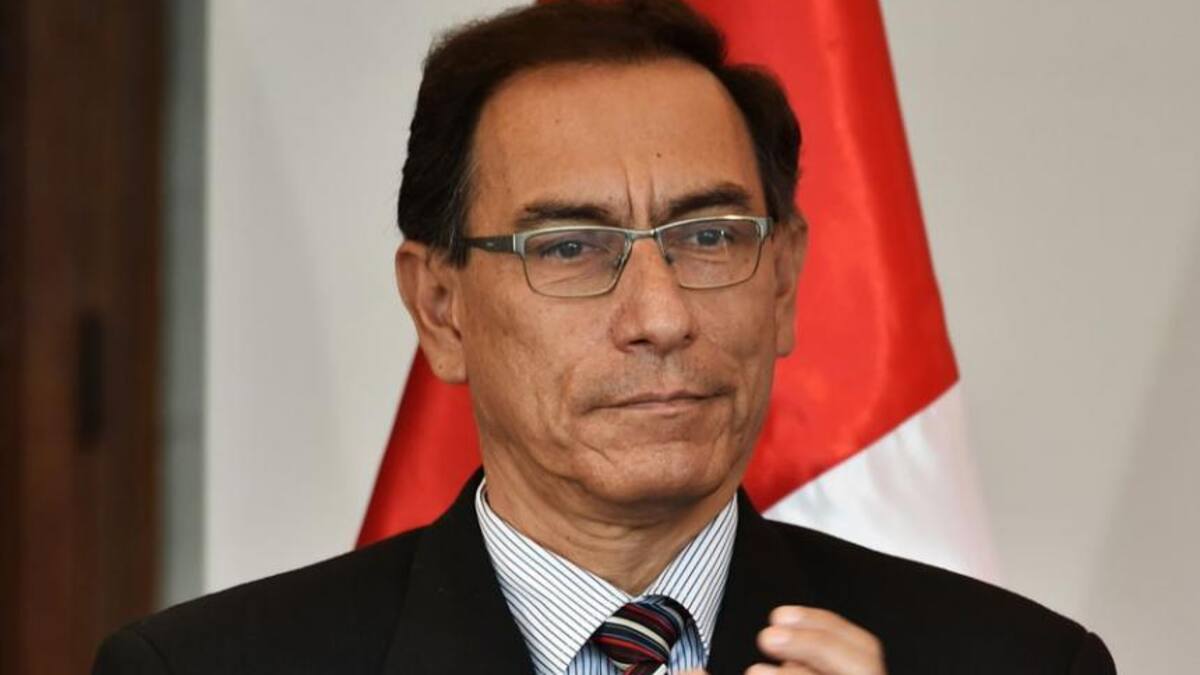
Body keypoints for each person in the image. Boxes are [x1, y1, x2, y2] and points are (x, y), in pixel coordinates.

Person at [93, 1, 1116, 673]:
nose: (662, 317)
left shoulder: (1017, 662)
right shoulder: (208, 667)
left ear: (785, 280)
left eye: (709, 237)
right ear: (441, 308)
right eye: (572, 248)